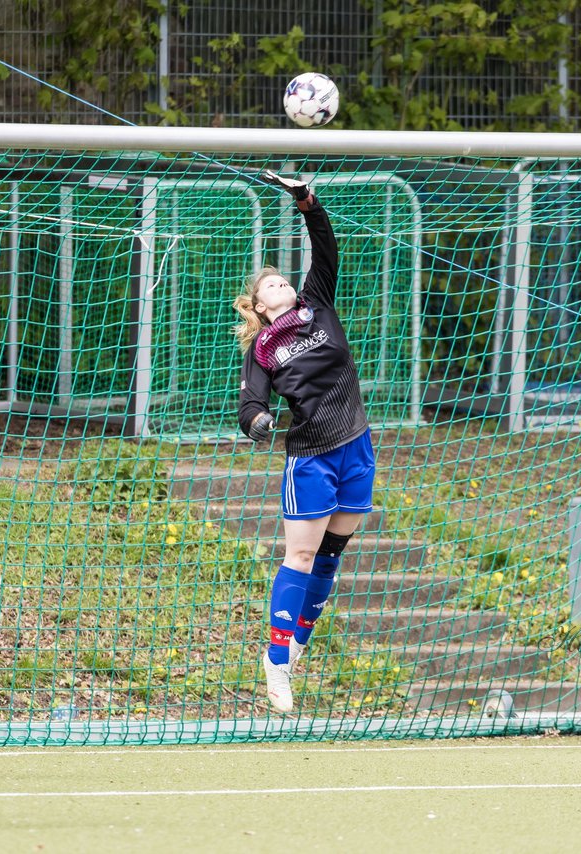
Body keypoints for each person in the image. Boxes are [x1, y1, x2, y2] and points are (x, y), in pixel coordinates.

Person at [234, 171, 375, 713]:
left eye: (282, 280)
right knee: (301, 554)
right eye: (269, 285)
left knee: (331, 557)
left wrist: (305, 200)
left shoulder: (316, 304)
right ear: (260, 305)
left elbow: (324, 244)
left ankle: (296, 645)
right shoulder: (264, 348)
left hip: (356, 444)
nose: (281, 284)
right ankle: (274, 660)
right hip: (311, 456)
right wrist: (261, 424)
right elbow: (250, 406)